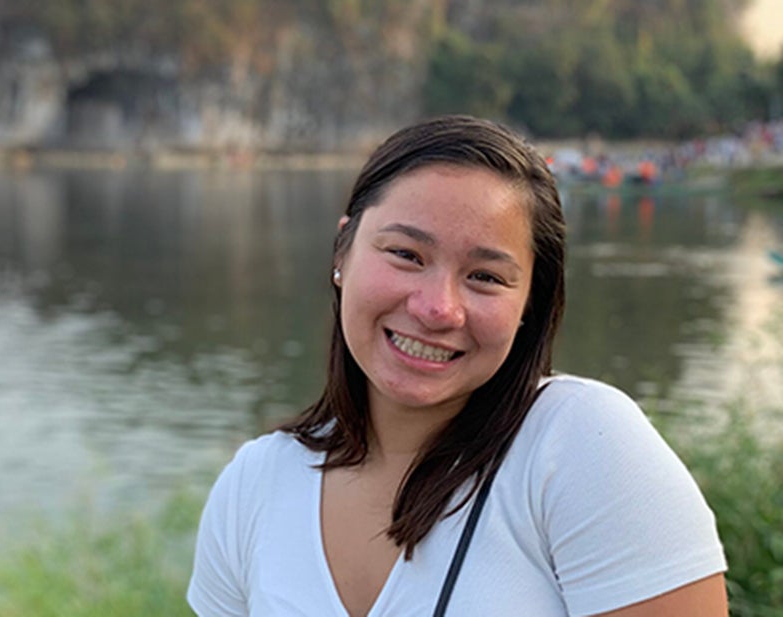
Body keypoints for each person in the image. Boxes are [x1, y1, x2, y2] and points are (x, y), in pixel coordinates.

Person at [188, 115, 728, 616]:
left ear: (528, 307)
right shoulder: (254, 484)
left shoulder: (579, 447)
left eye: (485, 277)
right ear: (342, 252)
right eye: (406, 254)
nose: (437, 307)